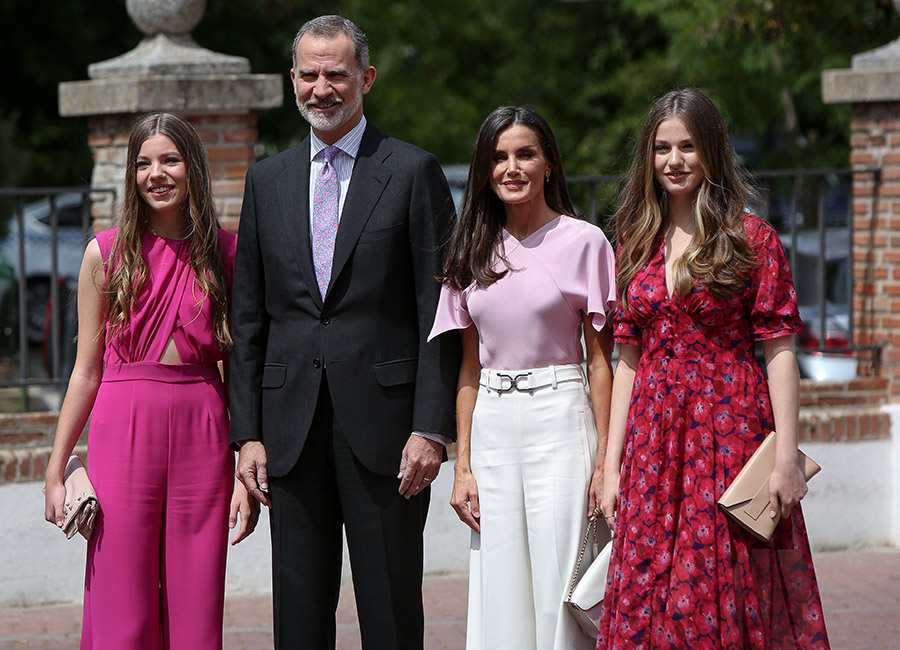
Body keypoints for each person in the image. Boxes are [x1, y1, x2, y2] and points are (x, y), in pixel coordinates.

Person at [229, 15, 460, 649]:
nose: (322, 88)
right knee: (298, 619)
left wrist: (431, 429)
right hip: (289, 433)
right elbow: (248, 318)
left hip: (389, 436)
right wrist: (245, 434)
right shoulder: (265, 180)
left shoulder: (412, 171)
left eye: (337, 73)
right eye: (309, 74)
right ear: (292, 80)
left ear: (366, 78)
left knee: (389, 613)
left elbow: (438, 309)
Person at [598, 88, 830, 649]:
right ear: (647, 158)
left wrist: (786, 457)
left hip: (728, 431)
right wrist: (609, 468)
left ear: (712, 152)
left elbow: (779, 350)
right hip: (653, 441)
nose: (674, 161)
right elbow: (626, 358)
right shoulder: (634, 241)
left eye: (688, 147)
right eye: (662, 148)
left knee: (720, 583)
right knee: (650, 589)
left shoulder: (751, 239)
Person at [43, 111, 259, 649]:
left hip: (202, 430)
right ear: (131, 176)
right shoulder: (106, 252)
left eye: (170, 159)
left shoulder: (228, 255)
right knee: (122, 602)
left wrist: (242, 470)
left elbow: (239, 370)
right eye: (143, 163)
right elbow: (85, 370)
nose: (156, 173)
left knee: (196, 600)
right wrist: (55, 468)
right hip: (122, 429)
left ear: (194, 170)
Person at [429, 106, 616, 649]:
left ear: (550, 164)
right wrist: (460, 466)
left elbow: (601, 360)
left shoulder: (586, 242)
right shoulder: (469, 250)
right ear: (486, 170)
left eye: (525, 154)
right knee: (499, 580)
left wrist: (606, 460)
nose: (512, 167)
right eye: (499, 157)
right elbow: (468, 366)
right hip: (490, 426)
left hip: (560, 419)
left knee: (563, 578)